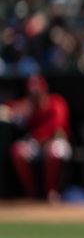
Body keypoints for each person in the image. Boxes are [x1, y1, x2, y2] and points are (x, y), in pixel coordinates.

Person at [0, 74, 71, 202]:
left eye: (37, 91)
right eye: (32, 92)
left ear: (44, 89)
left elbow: (56, 126)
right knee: (18, 151)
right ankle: (31, 193)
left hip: (55, 141)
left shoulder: (56, 102)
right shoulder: (28, 106)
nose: (35, 95)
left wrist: (37, 136)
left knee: (54, 151)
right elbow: (9, 107)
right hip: (36, 144)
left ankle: (51, 191)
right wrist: (13, 111)